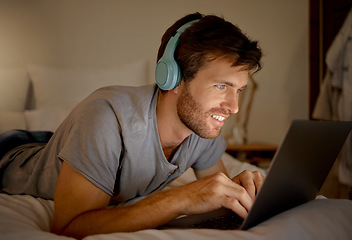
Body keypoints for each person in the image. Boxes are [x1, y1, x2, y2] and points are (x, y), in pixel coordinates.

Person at [0, 12, 263, 238]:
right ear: (172, 78)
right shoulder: (105, 117)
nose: (233, 106)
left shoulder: (202, 126)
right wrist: (183, 197)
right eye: (221, 86)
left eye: (238, 90)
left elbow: (215, 195)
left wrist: (240, 192)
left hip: (55, 143)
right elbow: (68, 227)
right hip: (12, 153)